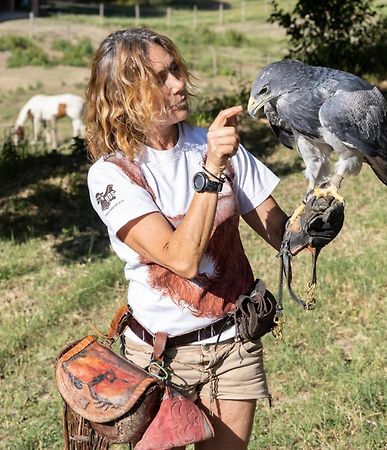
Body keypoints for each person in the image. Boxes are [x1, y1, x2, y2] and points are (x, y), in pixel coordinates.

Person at [85, 27, 289, 450]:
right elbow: (181, 259)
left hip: (233, 342)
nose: (178, 84)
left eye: (175, 69)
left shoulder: (214, 145)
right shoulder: (113, 172)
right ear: (124, 95)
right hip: (158, 359)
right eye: (159, 78)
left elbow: (282, 234)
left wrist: (324, 204)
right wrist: (212, 168)